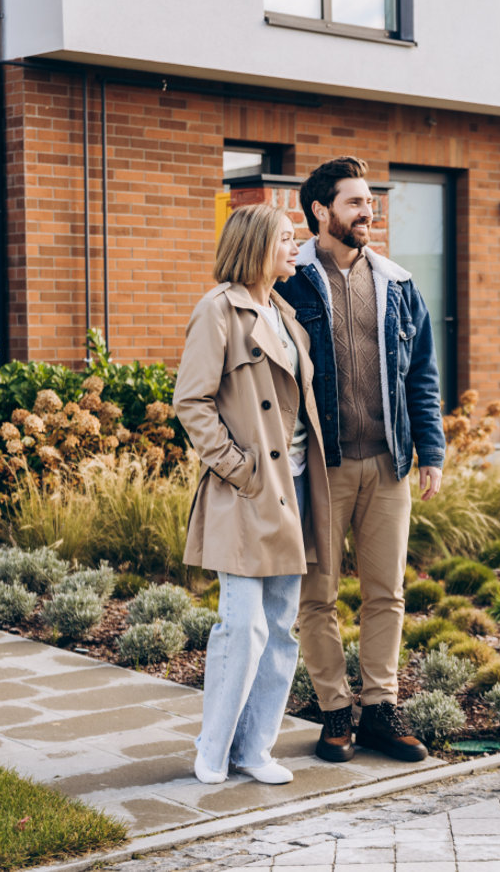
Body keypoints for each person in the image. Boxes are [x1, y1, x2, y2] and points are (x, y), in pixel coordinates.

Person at [275, 156, 446, 764]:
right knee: (316, 596)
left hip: (389, 463)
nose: (368, 211)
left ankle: (379, 707)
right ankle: (334, 711)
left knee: (386, 592)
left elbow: (422, 374)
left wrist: (431, 450)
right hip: (321, 468)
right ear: (321, 211)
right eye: (355, 202)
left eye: (370, 201)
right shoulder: (288, 284)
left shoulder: (398, 284)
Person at [173, 203, 333, 786]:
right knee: (242, 625)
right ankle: (213, 746)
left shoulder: (285, 314)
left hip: (294, 486)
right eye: (287, 239)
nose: (297, 248)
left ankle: (255, 747)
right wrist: (239, 468)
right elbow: (192, 402)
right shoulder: (219, 310)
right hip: (246, 489)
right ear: (257, 246)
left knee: (279, 623)